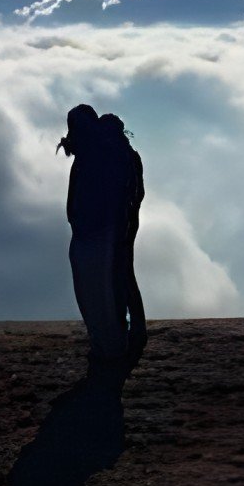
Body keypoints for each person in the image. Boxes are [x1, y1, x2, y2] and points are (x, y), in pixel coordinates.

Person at [60, 105, 130, 363]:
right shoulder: (95, 150)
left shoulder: (97, 153)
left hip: (96, 232)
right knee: (94, 290)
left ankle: (108, 347)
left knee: (96, 292)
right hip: (92, 230)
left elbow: (101, 194)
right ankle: (104, 344)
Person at [99, 113, 146, 359]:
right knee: (124, 275)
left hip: (121, 225)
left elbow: (133, 193)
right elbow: (139, 193)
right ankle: (133, 327)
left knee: (122, 276)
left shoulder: (120, 158)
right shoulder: (130, 156)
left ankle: (132, 328)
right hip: (126, 223)